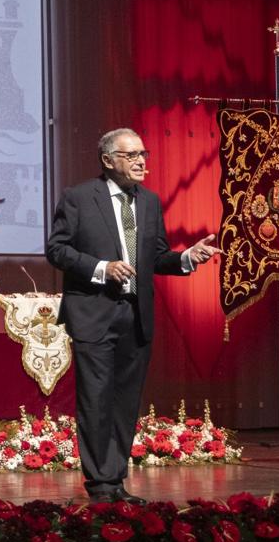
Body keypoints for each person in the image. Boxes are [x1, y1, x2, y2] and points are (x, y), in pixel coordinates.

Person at [45, 128, 218, 503]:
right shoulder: (78, 198)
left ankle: (115, 479)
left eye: (144, 153)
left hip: (135, 314)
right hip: (94, 312)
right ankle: (100, 484)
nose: (142, 162)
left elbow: (156, 257)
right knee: (95, 399)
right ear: (108, 160)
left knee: (125, 401)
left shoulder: (150, 202)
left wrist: (186, 258)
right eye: (132, 155)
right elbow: (57, 250)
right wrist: (102, 268)